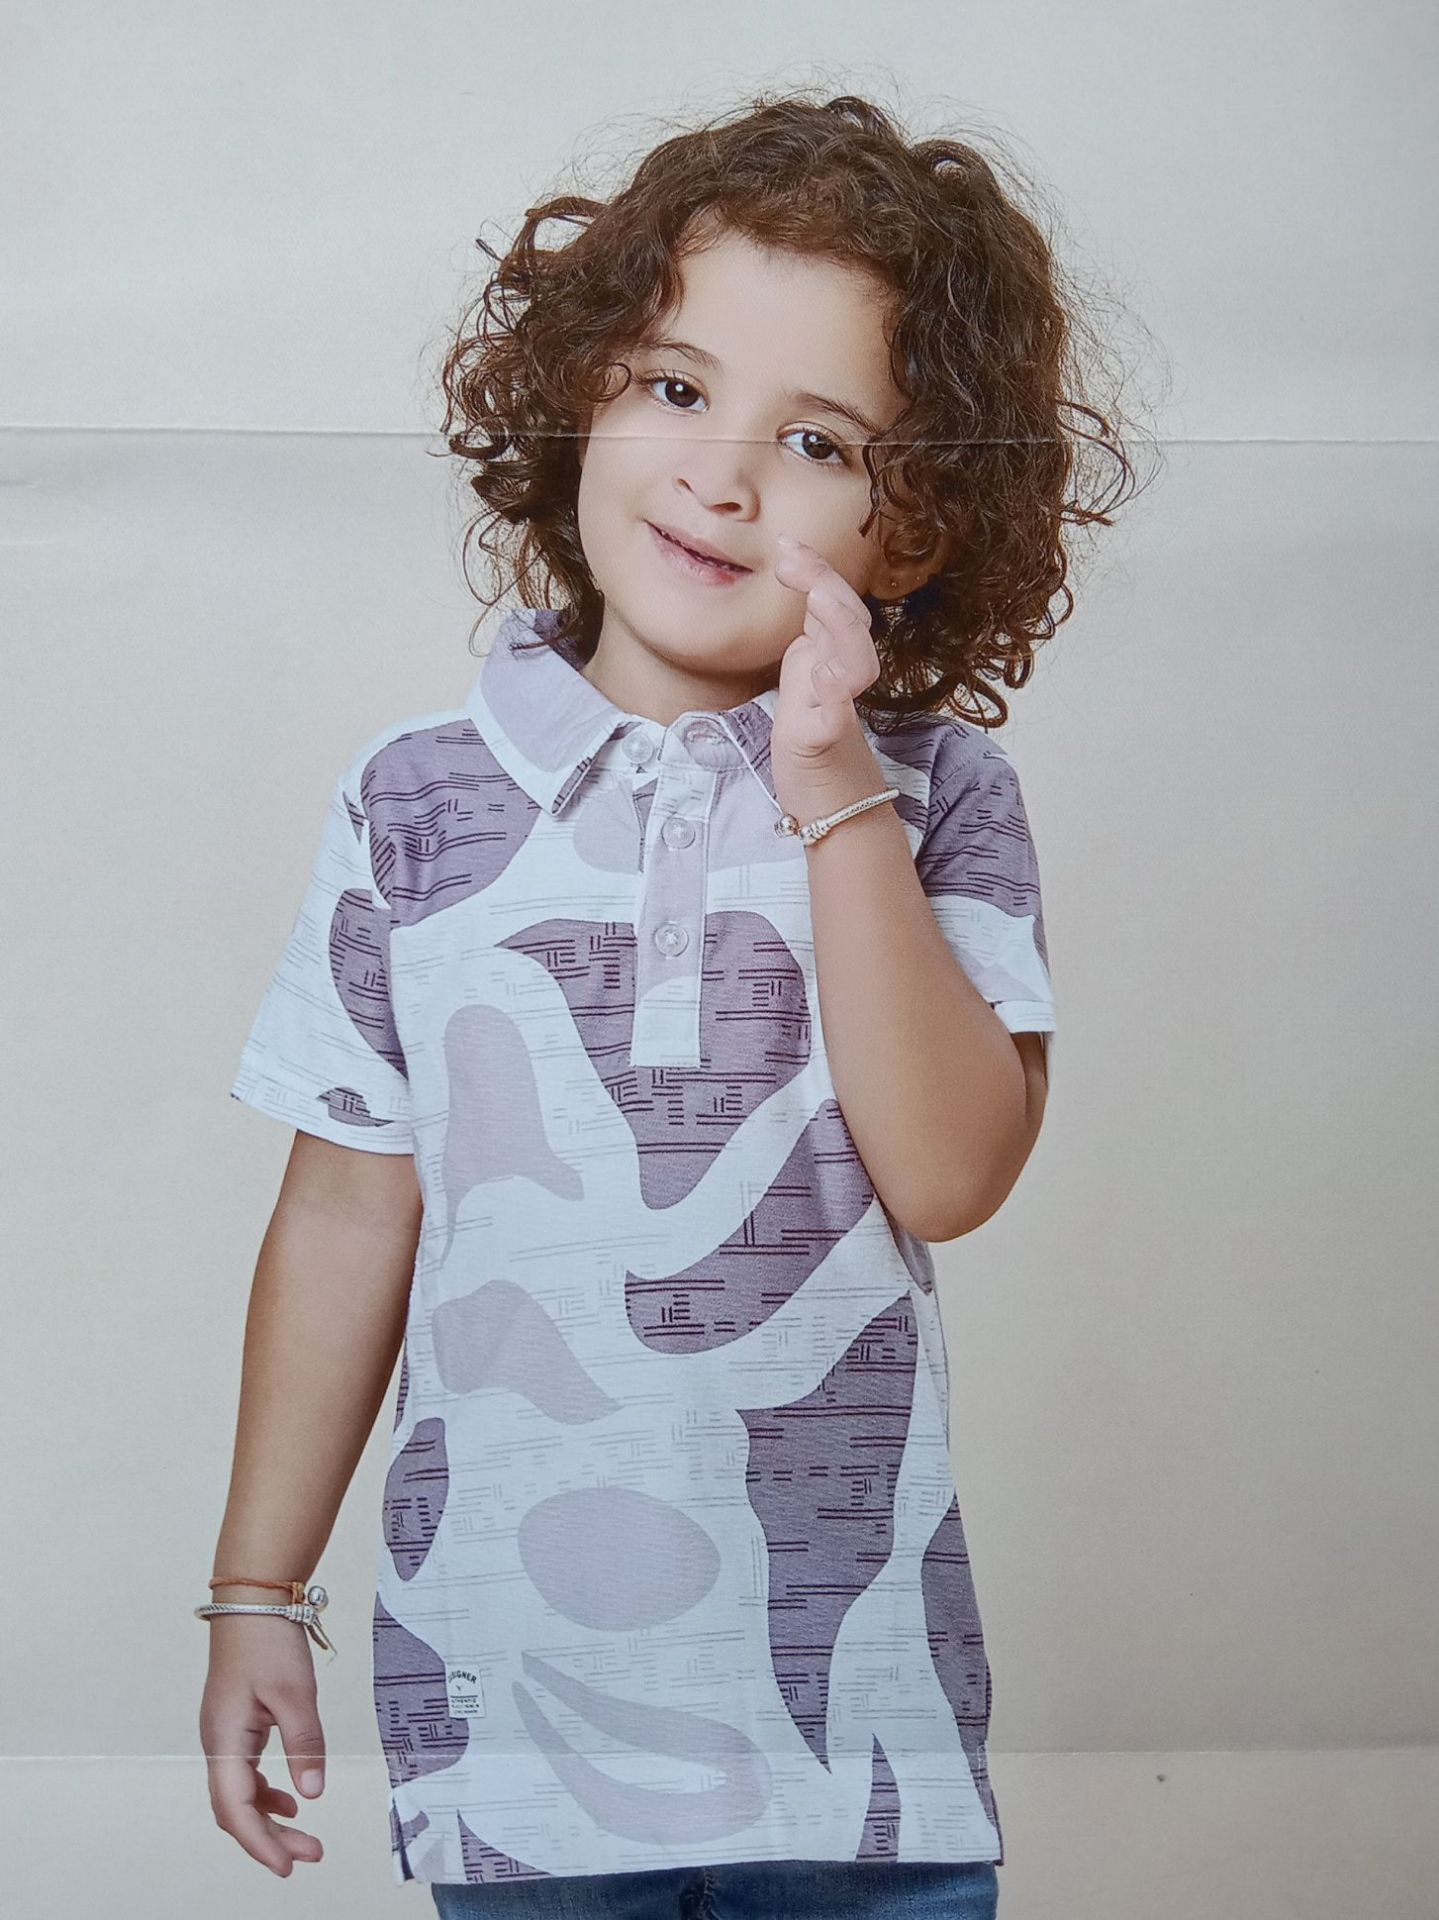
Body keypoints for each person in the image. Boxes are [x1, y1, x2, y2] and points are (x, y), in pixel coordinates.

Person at [200, 89, 1137, 1920]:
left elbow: (951, 1172)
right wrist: (254, 1590)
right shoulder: (416, 800)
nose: (723, 476)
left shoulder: (939, 795)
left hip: (859, 1753)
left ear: (917, 525)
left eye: (819, 440)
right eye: (676, 387)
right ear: (578, 393)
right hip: (512, 1735)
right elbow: (344, 1218)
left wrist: (832, 785)